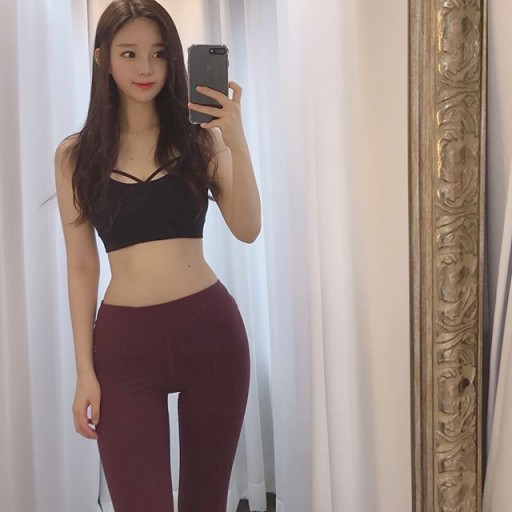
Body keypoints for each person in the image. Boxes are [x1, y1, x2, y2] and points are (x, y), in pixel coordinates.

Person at [53, 0, 261, 510]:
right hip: (126, 349)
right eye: (129, 53)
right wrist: (84, 371)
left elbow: (248, 228)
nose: (145, 68)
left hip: (212, 338)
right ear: (103, 59)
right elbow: (81, 266)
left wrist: (234, 138)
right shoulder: (76, 156)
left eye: (159, 53)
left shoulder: (199, 143)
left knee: (205, 503)